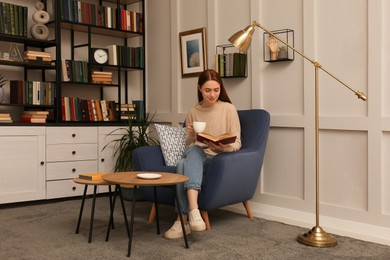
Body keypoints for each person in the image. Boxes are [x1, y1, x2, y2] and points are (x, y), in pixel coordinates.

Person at [164, 69, 242, 239]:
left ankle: (182, 219)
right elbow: (190, 143)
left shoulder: (229, 109)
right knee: (192, 151)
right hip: (197, 155)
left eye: (216, 90)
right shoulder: (194, 111)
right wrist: (191, 134)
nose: (212, 95)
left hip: (217, 159)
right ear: (200, 88)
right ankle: (193, 212)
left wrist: (222, 148)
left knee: (182, 165)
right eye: (207, 90)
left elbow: (237, 143)